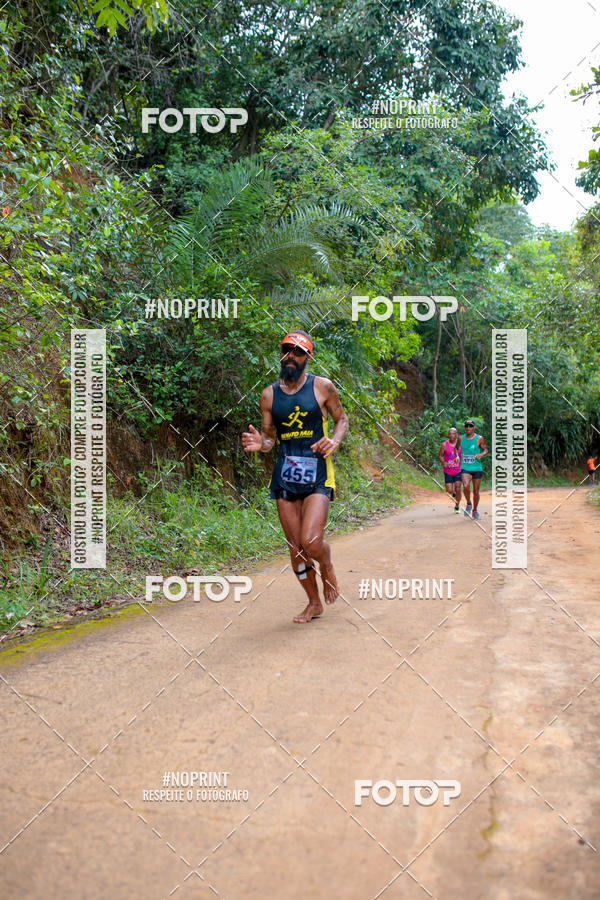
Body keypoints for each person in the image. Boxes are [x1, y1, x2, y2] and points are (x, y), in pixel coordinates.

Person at [242, 330, 349, 624]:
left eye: (298, 352)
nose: (291, 356)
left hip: (317, 472)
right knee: (295, 546)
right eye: (287, 350)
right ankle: (314, 603)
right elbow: (268, 439)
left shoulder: (322, 387)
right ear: (281, 354)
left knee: (311, 541)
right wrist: (259, 444)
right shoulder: (268, 395)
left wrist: (335, 441)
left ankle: (326, 565)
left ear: (308, 358)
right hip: (285, 476)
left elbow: (342, 420)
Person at [458, 419, 488, 520]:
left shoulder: (479, 438)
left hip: (476, 467)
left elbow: (485, 450)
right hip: (465, 467)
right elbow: (456, 448)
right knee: (466, 486)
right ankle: (469, 503)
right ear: (465, 428)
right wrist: (456, 456)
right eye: (466, 426)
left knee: (476, 491)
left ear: (474, 427)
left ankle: (475, 510)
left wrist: (481, 454)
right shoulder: (461, 438)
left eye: (470, 426)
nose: (468, 428)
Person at [438, 426, 462, 513]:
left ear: (456, 434)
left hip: (458, 470)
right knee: (449, 491)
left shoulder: (460, 444)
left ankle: (457, 506)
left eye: (453, 433)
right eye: (449, 433)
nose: (451, 435)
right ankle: (453, 492)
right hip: (448, 470)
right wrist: (443, 462)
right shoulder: (444, 445)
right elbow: (440, 456)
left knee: (458, 488)